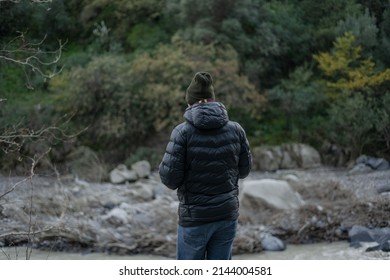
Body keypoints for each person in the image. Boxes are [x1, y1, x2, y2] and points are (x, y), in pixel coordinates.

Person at [159, 71, 252, 260]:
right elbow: (244, 170)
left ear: (190, 102)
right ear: (213, 99)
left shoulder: (182, 133)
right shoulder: (236, 130)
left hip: (195, 219)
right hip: (226, 215)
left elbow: (170, 179)